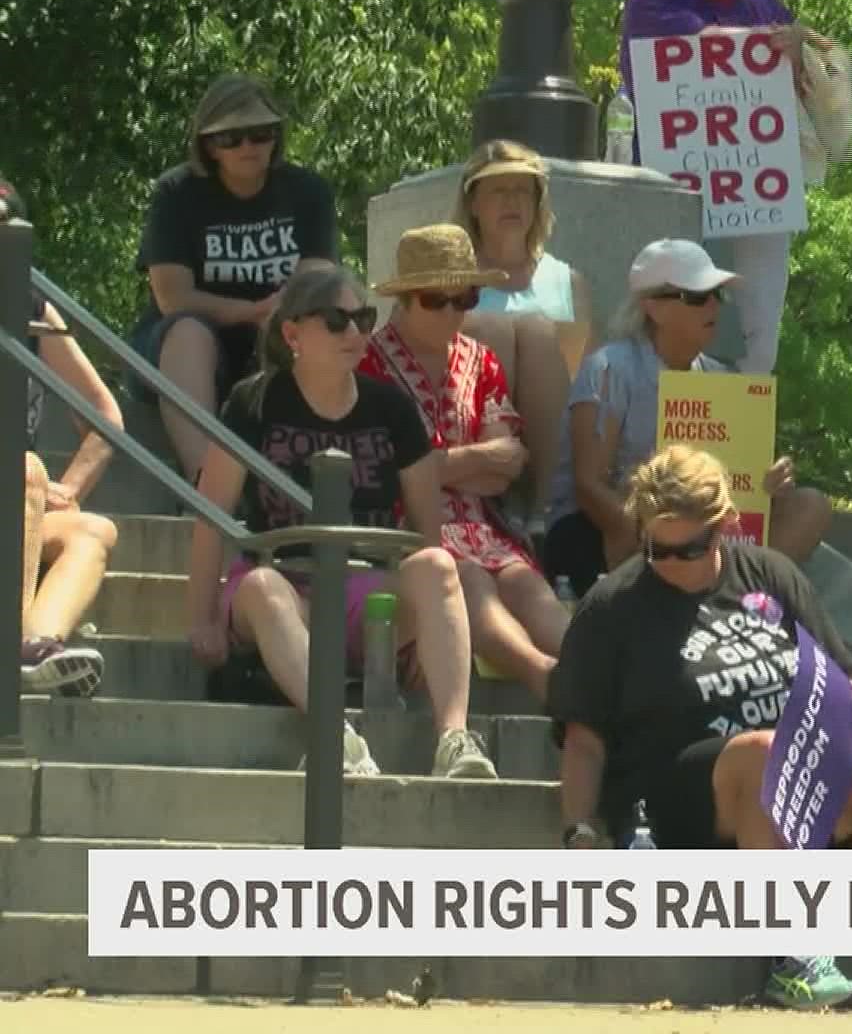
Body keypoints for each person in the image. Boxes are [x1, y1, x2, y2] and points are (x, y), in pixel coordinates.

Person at [548, 444, 852, 1013]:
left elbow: (837, 682)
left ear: (725, 527)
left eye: (686, 547)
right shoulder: (611, 607)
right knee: (765, 752)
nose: (667, 561)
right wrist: (579, 833)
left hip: (790, 781)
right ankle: (794, 955)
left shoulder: (769, 574)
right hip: (675, 796)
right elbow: (584, 741)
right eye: (654, 547)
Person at [183, 266, 497, 779]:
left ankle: (455, 739)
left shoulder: (391, 408)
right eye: (337, 321)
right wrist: (203, 619)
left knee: (439, 566)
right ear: (293, 332)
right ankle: (337, 737)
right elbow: (211, 513)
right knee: (263, 586)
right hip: (283, 586)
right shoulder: (254, 401)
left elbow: (425, 531)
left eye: (364, 319)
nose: (356, 333)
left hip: (368, 591)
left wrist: (422, 628)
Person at [543, 239, 831, 589]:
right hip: (606, 530)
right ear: (654, 308)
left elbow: (738, 486)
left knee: (810, 506)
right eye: (697, 297)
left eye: (718, 295)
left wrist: (768, 485)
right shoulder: (607, 371)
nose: (713, 306)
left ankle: (733, 596)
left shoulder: (722, 380)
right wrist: (669, 538)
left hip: (700, 532)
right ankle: (714, 591)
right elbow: (589, 488)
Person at [362, 225, 572, 703]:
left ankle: (587, 670)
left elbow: (510, 464)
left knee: (528, 586)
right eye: (438, 300)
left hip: (483, 528)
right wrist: (475, 459)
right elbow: (391, 475)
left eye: (466, 298)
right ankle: (545, 676)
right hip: (408, 529)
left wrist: (439, 465)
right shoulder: (369, 365)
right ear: (406, 299)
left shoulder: (482, 359)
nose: (454, 313)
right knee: (471, 578)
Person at [619, 0, 833, 375]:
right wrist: (766, 45)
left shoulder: (767, 7)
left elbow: (817, 96)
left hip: (758, 205)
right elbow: (710, 48)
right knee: (673, 330)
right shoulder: (651, 3)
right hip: (676, 200)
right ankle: (662, 436)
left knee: (755, 342)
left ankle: (735, 434)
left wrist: (803, 55)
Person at [128, 74, 338, 479]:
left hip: (278, 329)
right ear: (209, 144)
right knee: (189, 331)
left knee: (311, 330)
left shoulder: (308, 191)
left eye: (260, 134)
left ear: (276, 137)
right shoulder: (177, 192)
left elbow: (319, 281)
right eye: (231, 138)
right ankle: (206, 487)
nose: (247, 147)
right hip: (184, 344)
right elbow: (174, 297)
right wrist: (251, 310)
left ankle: (296, 483)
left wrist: (273, 315)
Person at [5, 178, 121, 693]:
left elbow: (104, 415)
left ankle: (37, 647)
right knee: (26, 469)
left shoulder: (30, 307)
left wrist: (69, 489)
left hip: (13, 503)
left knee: (92, 532)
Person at [457, 140, 594, 527]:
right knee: (489, 327)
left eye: (522, 190)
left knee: (540, 333)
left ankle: (539, 513)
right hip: (471, 443)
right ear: (473, 203)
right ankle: (498, 503)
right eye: (498, 190)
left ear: (538, 204)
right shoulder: (449, 279)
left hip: (554, 456)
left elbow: (592, 385)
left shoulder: (568, 282)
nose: (512, 201)